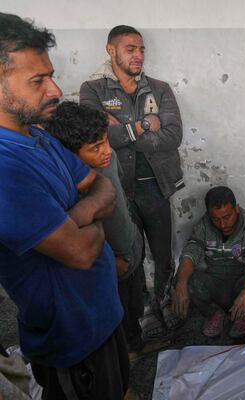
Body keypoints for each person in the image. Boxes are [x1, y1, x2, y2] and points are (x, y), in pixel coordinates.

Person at [0, 13, 128, 399]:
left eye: (50, 75)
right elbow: (80, 252)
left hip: (100, 314)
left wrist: (79, 214)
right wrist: (91, 216)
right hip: (71, 335)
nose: (55, 89)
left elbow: (103, 187)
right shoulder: (5, 167)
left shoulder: (40, 137)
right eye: (37, 81)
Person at [79, 25, 185, 338]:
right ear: (110, 50)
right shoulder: (93, 90)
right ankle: (135, 320)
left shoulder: (160, 88)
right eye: (130, 49)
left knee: (163, 253)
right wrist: (141, 126)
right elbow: (95, 136)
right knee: (129, 256)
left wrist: (122, 132)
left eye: (141, 49)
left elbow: (172, 136)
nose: (138, 55)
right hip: (117, 189)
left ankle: (165, 307)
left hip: (156, 185)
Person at [44, 101, 165, 363]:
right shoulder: (69, 186)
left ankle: (135, 344)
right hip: (111, 261)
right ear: (70, 155)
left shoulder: (108, 162)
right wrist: (111, 260)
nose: (107, 152)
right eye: (95, 148)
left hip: (129, 244)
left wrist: (132, 233)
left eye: (106, 142)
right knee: (114, 315)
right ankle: (120, 363)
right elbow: (76, 235)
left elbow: (120, 194)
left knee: (133, 305)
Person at [172, 186, 245, 338]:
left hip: (242, 282)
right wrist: (181, 284)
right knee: (182, 279)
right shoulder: (203, 225)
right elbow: (190, 252)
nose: (223, 224)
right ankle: (213, 313)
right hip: (215, 283)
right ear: (208, 214)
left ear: (237, 209)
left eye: (227, 217)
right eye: (216, 219)